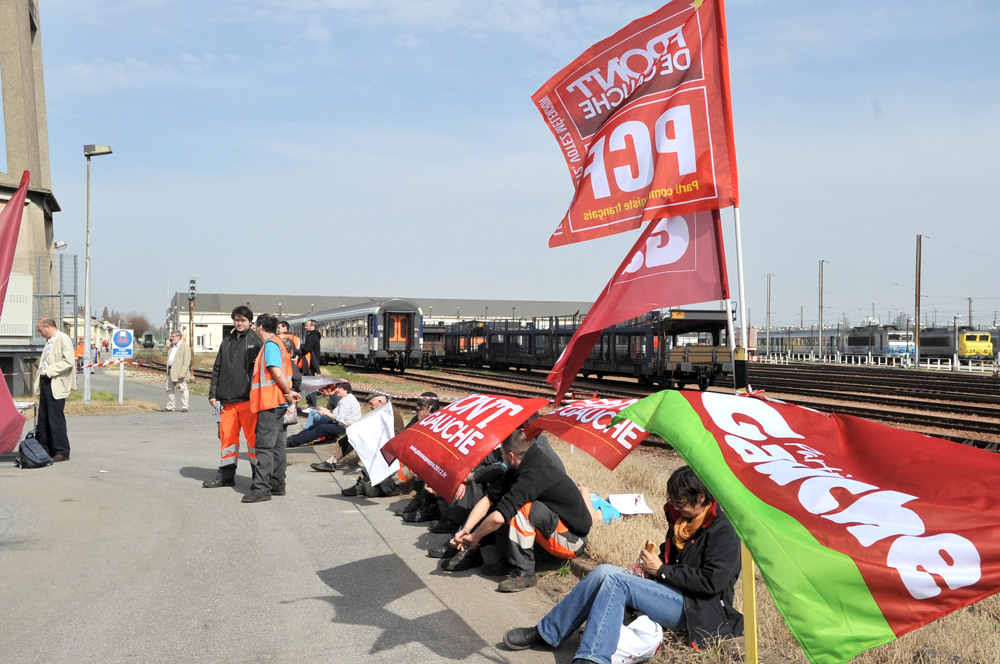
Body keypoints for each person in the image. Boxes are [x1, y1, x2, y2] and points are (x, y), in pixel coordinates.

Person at [503, 467, 743, 661]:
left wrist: (661, 570)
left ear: (701, 498)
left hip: (696, 609)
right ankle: (548, 632)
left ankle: (593, 656)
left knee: (618, 582)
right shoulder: (684, 521)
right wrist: (649, 564)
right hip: (670, 590)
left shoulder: (724, 532)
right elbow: (673, 557)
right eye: (673, 502)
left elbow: (711, 583)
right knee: (603, 571)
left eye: (680, 503)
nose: (676, 508)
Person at [452, 428, 592, 593]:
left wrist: (474, 538)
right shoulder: (525, 463)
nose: (502, 458)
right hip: (556, 527)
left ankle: (525, 572)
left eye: (502, 455)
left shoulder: (535, 473)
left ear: (510, 455)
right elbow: (488, 499)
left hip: (573, 541)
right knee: (507, 503)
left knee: (521, 509)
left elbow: (498, 518)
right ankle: (508, 560)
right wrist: (467, 528)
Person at [244, 313, 300, 503]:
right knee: (277, 445)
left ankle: (262, 489)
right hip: (278, 402)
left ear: (260, 327)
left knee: (265, 447)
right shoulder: (280, 344)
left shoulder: (270, 346)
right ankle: (277, 485)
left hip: (270, 402)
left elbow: (276, 372)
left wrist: (288, 391)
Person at [204, 306, 261, 489]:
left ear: (250, 322)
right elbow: (217, 368)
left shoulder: (256, 341)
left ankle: (258, 479)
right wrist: (213, 394)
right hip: (226, 402)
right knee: (227, 440)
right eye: (237, 320)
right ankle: (226, 477)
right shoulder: (227, 341)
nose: (240, 323)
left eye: (243, 320)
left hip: (248, 401)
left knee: (253, 442)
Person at [33, 318, 76, 462]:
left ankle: (62, 451)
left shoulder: (63, 339)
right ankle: (45, 449)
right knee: (43, 418)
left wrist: (50, 370)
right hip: (46, 383)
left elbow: (69, 361)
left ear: (49, 327)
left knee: (55, 418)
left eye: (40, 330)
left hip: (56, 382)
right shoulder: (49, 342)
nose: (40, 333)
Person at [285, 381, 360, 450]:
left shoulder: (346, 400)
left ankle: (293, 441)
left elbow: (339, 418)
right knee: (317, 424)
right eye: (337, 387)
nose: (337, 389)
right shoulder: (346, 398)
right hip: (342, 424)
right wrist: (326, 411)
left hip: (346, 427)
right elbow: (337, 413)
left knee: (321, 428)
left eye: (339, 388)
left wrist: (326, 413)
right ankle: (292, 438)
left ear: (345, 390)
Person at [164, 330, 191, 412]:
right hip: (171, 370)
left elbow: (186, 361)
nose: (171, 338)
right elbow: (164, 353)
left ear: (179, 337)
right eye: (171, 336)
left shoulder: (184, 346)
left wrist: (182, 373)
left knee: (183, 389)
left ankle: (185, 406)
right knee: (169, 389)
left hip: (180, 371)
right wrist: (167, 345)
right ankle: (170, 406)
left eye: (173, 336)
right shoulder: (171, 346)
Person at [299, 319, 321, 406]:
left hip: (309, 364)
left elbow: (306, 349)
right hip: (311, 363)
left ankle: (312, 404)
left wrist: (301, 347)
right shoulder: (315, 336)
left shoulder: (312, 337)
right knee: (308, 384)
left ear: (313, 326)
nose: (305, 327)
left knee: (309, 384)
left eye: (306, 325)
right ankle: (310, 403)